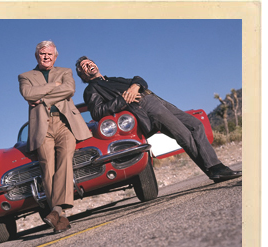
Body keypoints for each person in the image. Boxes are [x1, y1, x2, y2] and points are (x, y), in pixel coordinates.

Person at [75, 56, 242, 183]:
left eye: (89, 62)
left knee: (196, 125)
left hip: (158, 101)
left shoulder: (111, 80)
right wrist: (125, 99)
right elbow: (98, 112)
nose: (88, 65)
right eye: (83, 66)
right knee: (184, 135)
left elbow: (139, 79)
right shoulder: (92, 90)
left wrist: (135, 86)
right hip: (145, 106)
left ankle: (214, 170)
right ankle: (215, 168)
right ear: (82, 75)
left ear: (95, 64)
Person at [18, 42, 92, 234]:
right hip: (41, 127)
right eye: (42, 54)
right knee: (48, 169)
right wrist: (53, 87)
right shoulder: (25, 76)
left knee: (65, 160)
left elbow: (69, 90)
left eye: (50, 54)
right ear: (37, 56)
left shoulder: (66, 71)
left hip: (64, 123)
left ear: (55, 56)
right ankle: (61, 219)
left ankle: (56, 210)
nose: (46, 57)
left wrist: (43, 99)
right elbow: (27, 93)